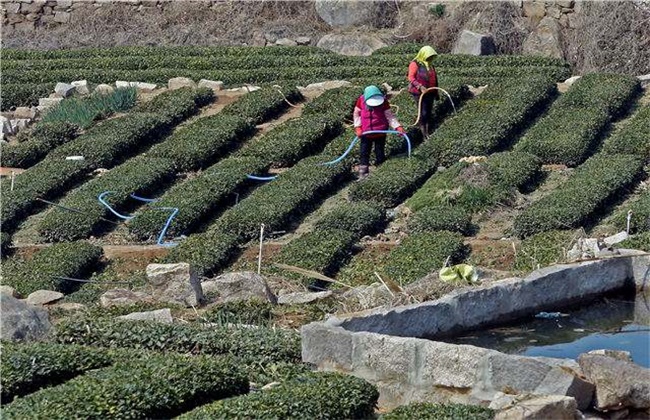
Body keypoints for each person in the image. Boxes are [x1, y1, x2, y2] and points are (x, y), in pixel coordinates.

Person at [353, 85, 405, 179]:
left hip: (380, 132)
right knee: (364, 153)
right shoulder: (361, 100)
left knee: (379, 152)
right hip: (366, 133)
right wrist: (358, 128)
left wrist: (398, 127)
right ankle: (363, 174)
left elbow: (390, 116)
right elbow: (357, 114)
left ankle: (381, 172)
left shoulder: (384, 101)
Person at [408, 45, 439, 138]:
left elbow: (434, 78)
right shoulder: (415, 64)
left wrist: (436, 92)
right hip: (419, 93)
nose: (430, 58)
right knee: (423, 112)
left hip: (430, 92)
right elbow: (411, 77)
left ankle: (427, 130)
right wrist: (420, 86)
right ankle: (423, 133)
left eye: (431, 57)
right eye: (429, 56)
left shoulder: (430, 64)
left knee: (428, 112)